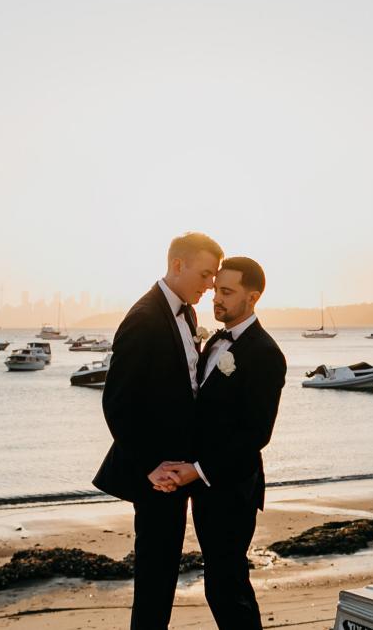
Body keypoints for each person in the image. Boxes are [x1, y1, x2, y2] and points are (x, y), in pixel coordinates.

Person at [93, 231, 224, 630]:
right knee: (154, 574)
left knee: (164, 570)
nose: (209, 285)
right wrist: (150, 466)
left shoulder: (188, 314)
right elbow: (117, 403)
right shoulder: (144, 318)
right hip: (157, 474)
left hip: (180, 467)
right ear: (177, 265)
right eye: (205, 274)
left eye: (214, 277)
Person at [164, 256, 286, 630]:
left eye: (228, 292)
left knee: (227, 585)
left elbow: (255, 435)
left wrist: (198, 471)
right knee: (221, 582)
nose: (217, 298)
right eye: (216, 289)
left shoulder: (265, 354)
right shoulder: (216, 339)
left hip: (232, 488)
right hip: (206, 486)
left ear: (253, 297)